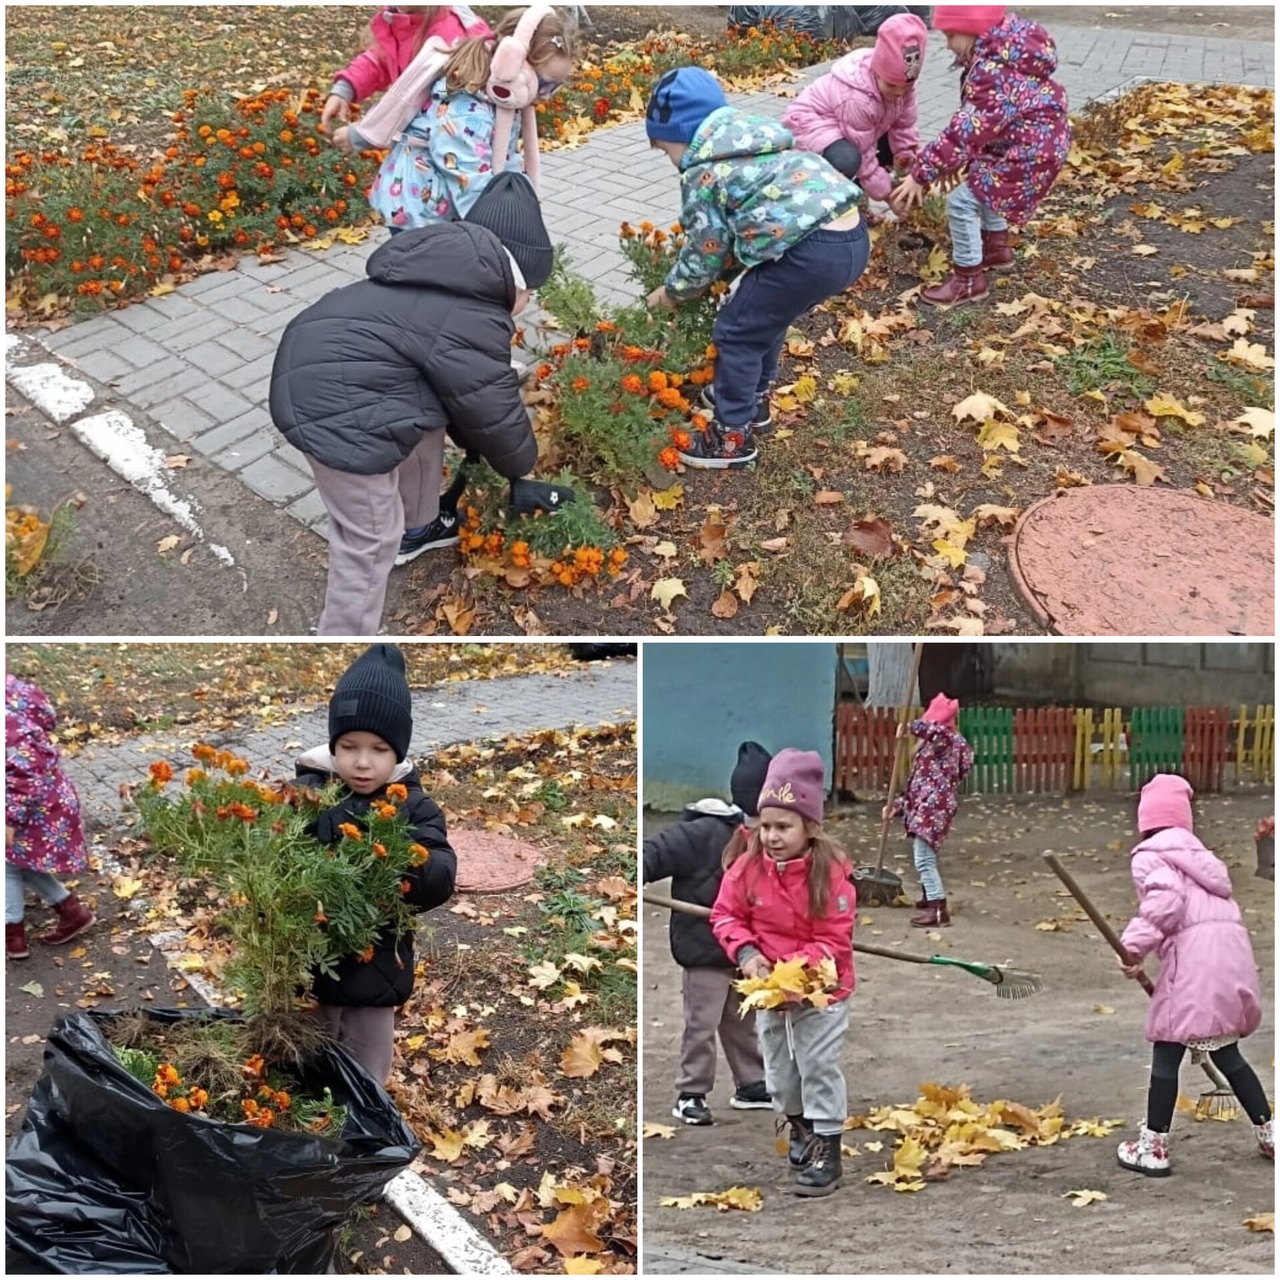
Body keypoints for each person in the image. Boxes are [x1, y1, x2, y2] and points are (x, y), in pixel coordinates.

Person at [268, 172, 557, 636]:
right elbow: (491, 409)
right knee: (369, 538)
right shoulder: (476, 316)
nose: (528, 303)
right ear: (518, 278)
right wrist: (521, 468)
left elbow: (461, 395)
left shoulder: (441, 278)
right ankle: (344, 637)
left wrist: (480, 428)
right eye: (532, 293)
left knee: (427, 428)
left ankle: (418, 528)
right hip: (337, 415)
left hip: (333, 371)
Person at [644, 67, 870, 470]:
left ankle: (731, 437)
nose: (670, 161)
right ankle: (754, 401)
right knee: (764, 313)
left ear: (682, 134)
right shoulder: (758, 139)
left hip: (811, 250)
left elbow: (705, 250)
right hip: (851, 236)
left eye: (665, 150)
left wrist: (671, 292)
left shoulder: (703, 170)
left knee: (737, 331)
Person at [295, 644, 457, 1083]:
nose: (362, 762)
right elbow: (279, 865)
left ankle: (365, 1141)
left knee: (367, 1077)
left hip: (376, 971)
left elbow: (442, 874)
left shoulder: (414, 808)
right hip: (308, 967)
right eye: (348, 746)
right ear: (333, 746)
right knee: (308, 1067)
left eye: (379, 749)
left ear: (398, 753)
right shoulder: (306, 797)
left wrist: (403, 860)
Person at [710, 749, 856, 1196]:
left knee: (817, 1065)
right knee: (778, 1073)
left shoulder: (830, 874)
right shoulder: (747, 867)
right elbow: (725, 916)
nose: (771, 836)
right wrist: (748, 953)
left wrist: (796, 970)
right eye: (766, 825)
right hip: (767, 991)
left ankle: (827, 1150)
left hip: (821, 992)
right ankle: (798, 1126)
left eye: (783, 826)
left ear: (810, 826)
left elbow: (833, 938)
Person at [1115, 774, 1272, 1175]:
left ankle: (1153, 1147)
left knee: (1167, 1050)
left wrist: (1134, 948)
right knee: (1228, 1053)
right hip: (1229, 962)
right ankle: (1270, 1133)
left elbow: (1165, 901)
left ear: (1145, 820)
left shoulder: (1150, 856)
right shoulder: (1204, 861)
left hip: (1195, 969)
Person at [891, 6, 1070, 308]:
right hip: (1035, 148)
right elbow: (986, 126)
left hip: (1025, 155)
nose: (947, 44)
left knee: (960, 203)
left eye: (949, 35)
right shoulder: (1009, 56)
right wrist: (959, 161)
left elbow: (965, 132)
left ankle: (969, 280)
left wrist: (921, 173)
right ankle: (996, 249)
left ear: (972, 30)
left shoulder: (993, 71)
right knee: (984, 185)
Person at [643, 742, 774, 1126]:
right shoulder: (703, 833)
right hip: (703, 948)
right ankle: (691, 1092)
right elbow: (653, 852)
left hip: (747, 952)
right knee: (701, 1023)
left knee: (743, 1020)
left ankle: (751, 1084)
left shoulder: (773, 840)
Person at [358, 6, 574, 229]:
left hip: (444, 207)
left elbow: (505, 156)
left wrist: (519, 200)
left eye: (556, 88)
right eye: (545, 84)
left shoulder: (507, 101)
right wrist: (498, 226)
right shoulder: (466, 109)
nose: (546, 96)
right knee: (430, 263)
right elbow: (467, 175)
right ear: (511, 64)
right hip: (416, 210)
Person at [782, 13, 927, 217]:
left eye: (906, 87)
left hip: (850, 127)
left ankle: (857, 195)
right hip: (809, 123)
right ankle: (826, 207)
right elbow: (864, 150)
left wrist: (906, 159)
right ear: (877, 71)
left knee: (885, 146)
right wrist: (887, 194)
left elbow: (904, 127)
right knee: (848, 159)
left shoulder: (904, 87)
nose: (899, 92)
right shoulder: (857, 97)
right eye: (891, 85)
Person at [5, 674, 96, 961]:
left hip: (32, 808)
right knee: (18, 861)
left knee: (6, 866)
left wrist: (9, 820)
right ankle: (72, 911)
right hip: (46, 800)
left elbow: (22, 777)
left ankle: (13, 936)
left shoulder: (8, 724)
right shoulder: (16, 700)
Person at [319, 5, 493, 134]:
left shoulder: (447, 37)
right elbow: (381, 59)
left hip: (444, 143)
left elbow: (413, 97)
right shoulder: (402, 18)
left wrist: (367, 134)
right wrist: (345, 89)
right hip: (416, 139)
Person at [888, 692, 973, 929]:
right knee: (926, 855)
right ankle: (929, 896)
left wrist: (910, 726)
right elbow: (917, 788)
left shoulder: (946, 742)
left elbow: (937, 732)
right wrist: (896, 807)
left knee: (924, 858)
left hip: (933, 808)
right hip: (927, 806)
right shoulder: (933, 751)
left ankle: (938, 909)